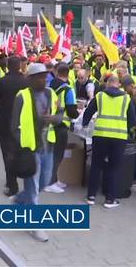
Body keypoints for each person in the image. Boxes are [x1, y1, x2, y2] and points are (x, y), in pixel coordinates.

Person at [10, 63, 62, 242]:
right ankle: (34, 226)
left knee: (44, 182)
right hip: (30, 149)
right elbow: (13, 125)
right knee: (33, 191)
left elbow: (61, 113)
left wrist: (56, 119)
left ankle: (19, 200)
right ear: (30, 79)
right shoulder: (22, 96)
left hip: (48, 146)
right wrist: (22, 147)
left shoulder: (51, 93)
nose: (44, 79)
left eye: (45, 76)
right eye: (39, 76)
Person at [82, 75, 136, 208]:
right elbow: (132, 119)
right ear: (118, 85)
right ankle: (110, 199)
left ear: (107, 84)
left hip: (100, 135)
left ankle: (91, 196)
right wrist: (128, 130)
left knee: (96, 166)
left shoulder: (100, 96)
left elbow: (88, 112)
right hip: (118, 137)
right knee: (113, 168)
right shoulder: (126, 98)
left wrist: (84, 124)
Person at [0, 56, 29, 197]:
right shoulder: (27, 81)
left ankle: (12, 185)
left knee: (8, 153)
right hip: (24, 122)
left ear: (7, 66)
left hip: (5, 122)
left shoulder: (1, 82)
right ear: (19, 66)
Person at [45, 63, 79, 194]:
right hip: (61, 124)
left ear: (56, 72)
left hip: (49, 123)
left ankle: (53, 179)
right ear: (68, 73)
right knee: (57, 155)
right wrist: (77, 113)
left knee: (50, 153)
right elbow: (71, 110)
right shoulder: (68, 89)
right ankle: (50, 182)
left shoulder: (49, 85)